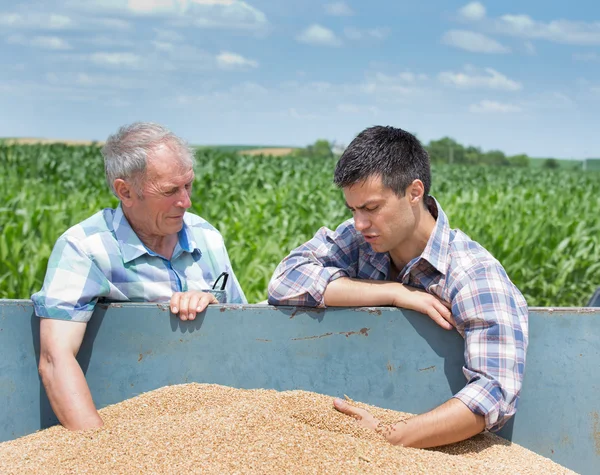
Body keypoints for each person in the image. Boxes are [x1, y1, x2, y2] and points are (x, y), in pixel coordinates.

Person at [268, 125, 528, 448]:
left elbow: (492, 394)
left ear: (414, 193)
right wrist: (395, 294)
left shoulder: (472, 274)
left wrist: (387, 437)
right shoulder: (362, 240)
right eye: (353, 210)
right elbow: (284, 280)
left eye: (372, 208)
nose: (360, 223)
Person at [31, 122, 246, 430]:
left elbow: (245, 329)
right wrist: (100, 449)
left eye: (188, 185)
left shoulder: (206, 237)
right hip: (129, 425)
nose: (186, 201)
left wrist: (214, 303)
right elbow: (55, 359)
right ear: (125, 191)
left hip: (214, 423)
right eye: (170, 191)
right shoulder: (86, 249)